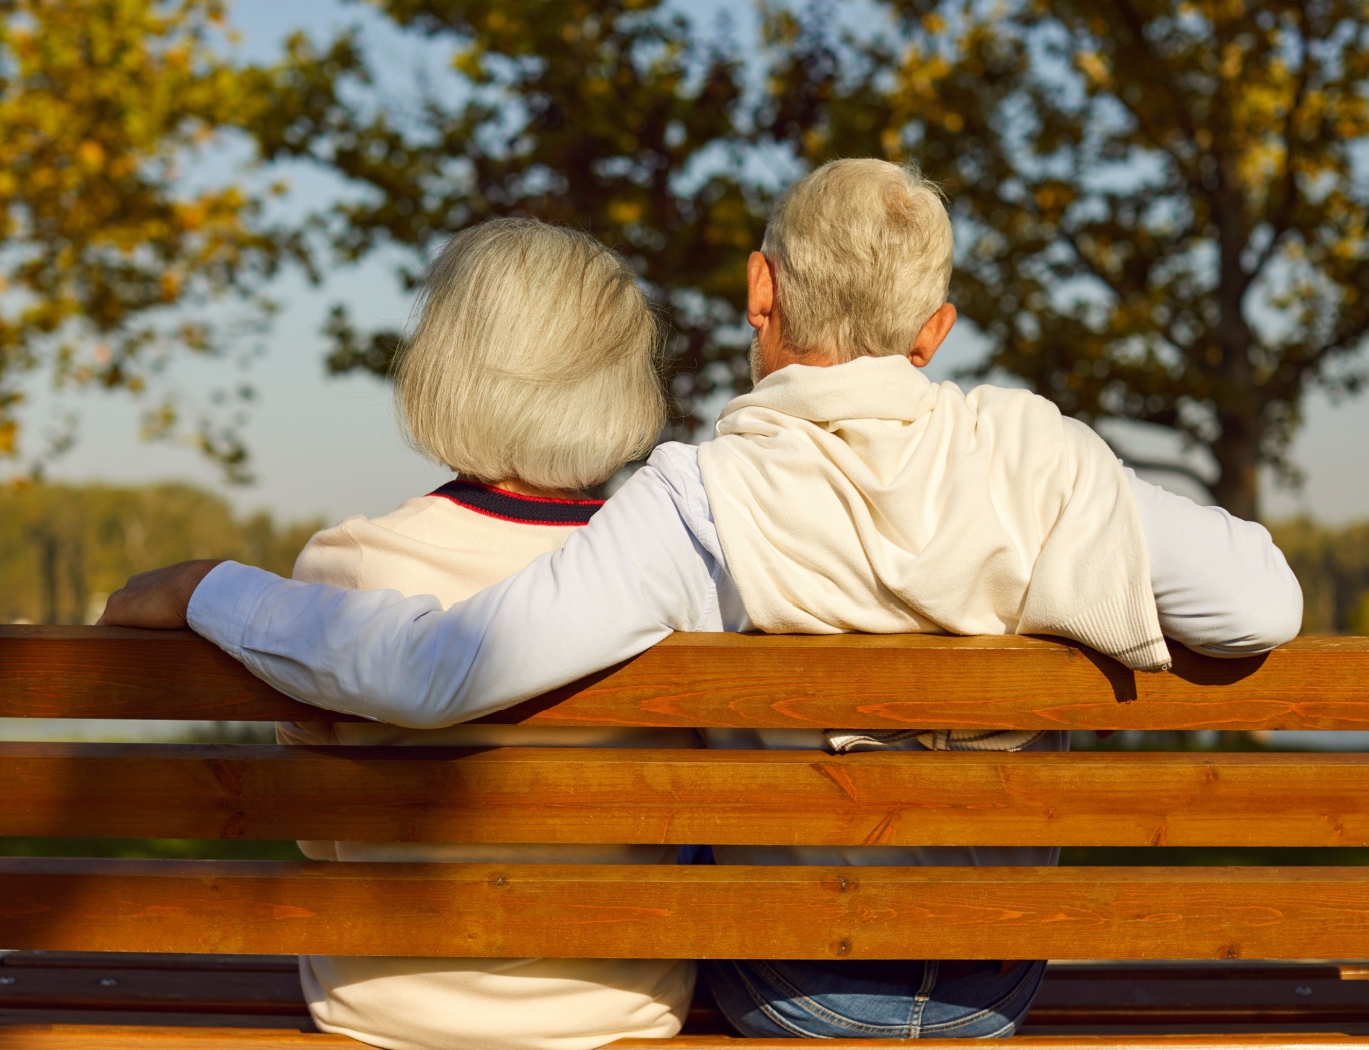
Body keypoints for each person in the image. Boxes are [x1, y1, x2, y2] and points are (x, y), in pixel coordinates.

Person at [104, 160, 1303, 1040]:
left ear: (758, 289)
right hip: (994, 976)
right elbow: (1260, 606)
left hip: (793, 985)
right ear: (934, 330)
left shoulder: (702, 499)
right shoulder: (1041, 459)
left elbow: (442, 670)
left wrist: (215, 588)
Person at [257, 218, 698, 1050]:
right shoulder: (669, 579)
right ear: (622, 382)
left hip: (383, 1008)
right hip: (619, 1009)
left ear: (445, 368)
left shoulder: (349, 567)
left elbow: (318, 833)